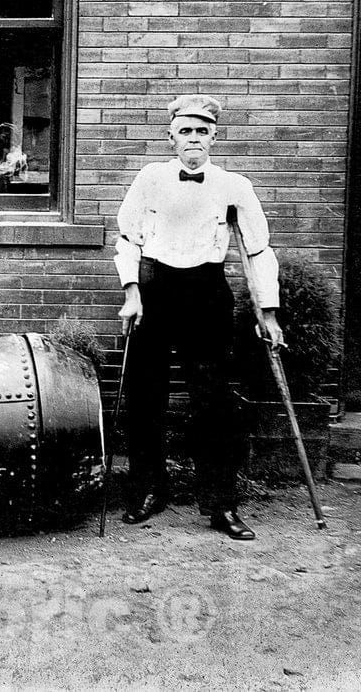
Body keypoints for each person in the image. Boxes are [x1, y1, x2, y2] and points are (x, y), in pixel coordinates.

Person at [114, 94, 284, 540]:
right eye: (185, 131)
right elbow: (128, 238)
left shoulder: (234, 185)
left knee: (213, 401)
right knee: (145, 396)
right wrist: (132, 293)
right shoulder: (150, 179)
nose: (194, 139)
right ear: (171, 136)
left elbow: (257, 249)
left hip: (207, 295)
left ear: (214, 136)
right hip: (155, 291)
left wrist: (268, 312)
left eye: (202, 131)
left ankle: (220, 504)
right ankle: (149, 488)